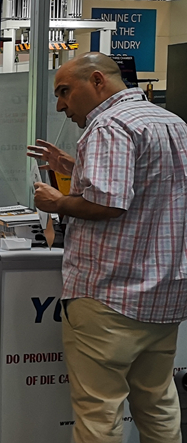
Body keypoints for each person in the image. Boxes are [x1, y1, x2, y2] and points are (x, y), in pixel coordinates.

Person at [28, 52, 187, 443]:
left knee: (99, 414)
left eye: (64, 91)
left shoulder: (108, 124)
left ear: (97, 81)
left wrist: (57, 202)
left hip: (109, 295)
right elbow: (149, 186)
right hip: (164, 295)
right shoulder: (173, 123)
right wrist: (74, 167)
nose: (60, 105)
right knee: (158, 405)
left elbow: (109, 204)